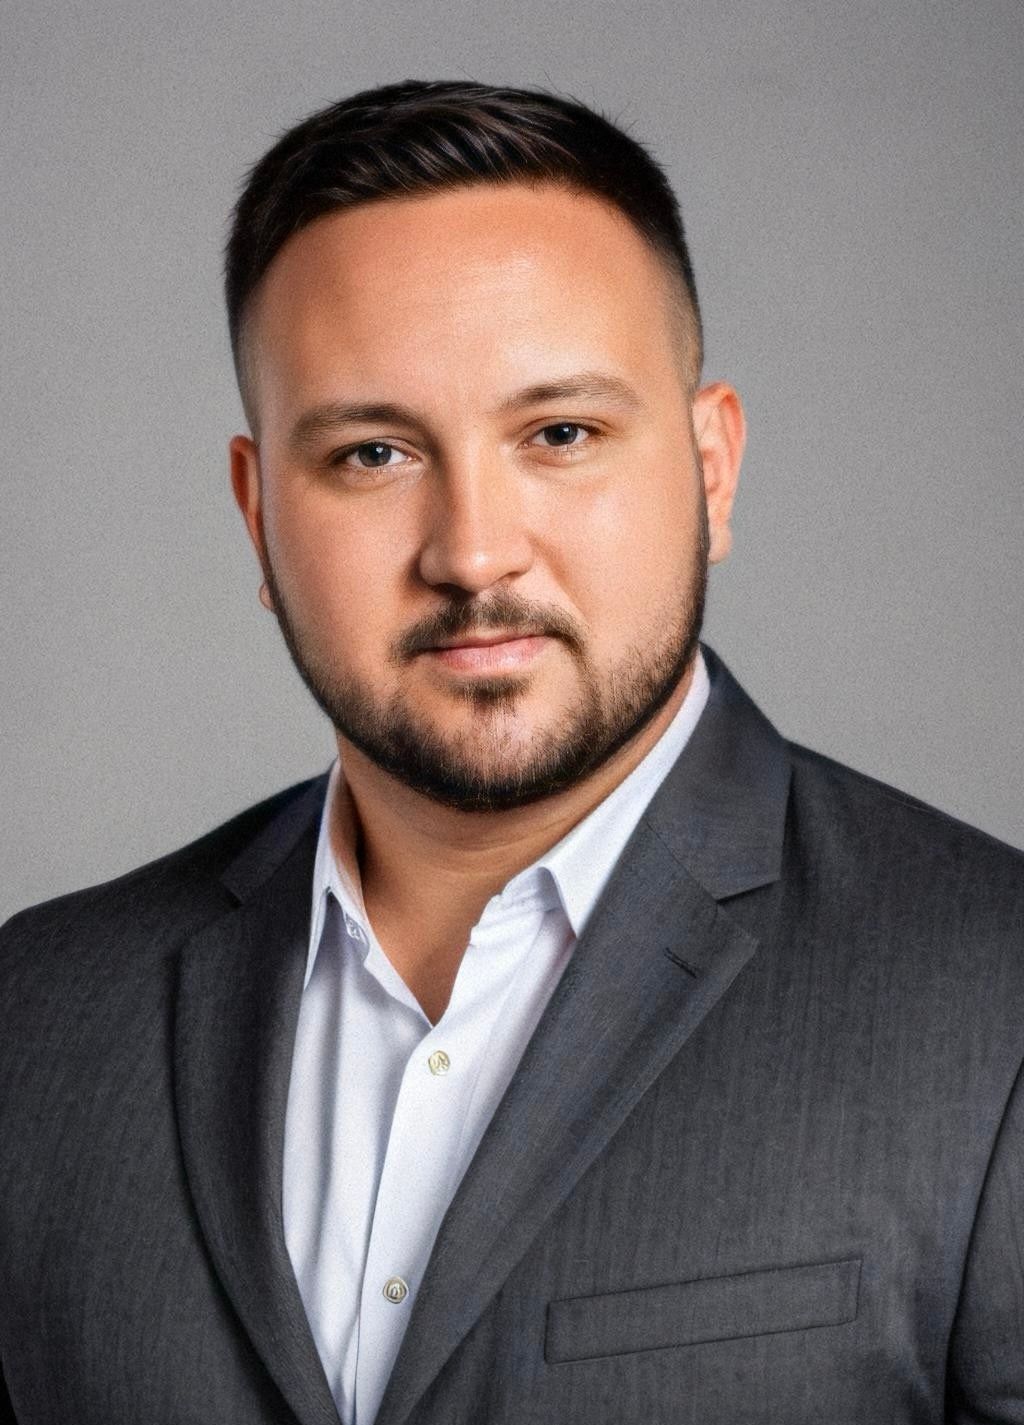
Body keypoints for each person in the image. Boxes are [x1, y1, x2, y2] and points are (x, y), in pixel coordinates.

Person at [1, 78, 1022, 1425]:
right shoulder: (41, 1020)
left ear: (712, 469)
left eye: (559, 434)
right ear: (258, 514)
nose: (472, 549)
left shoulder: (993, 1001)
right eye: (372, 452)